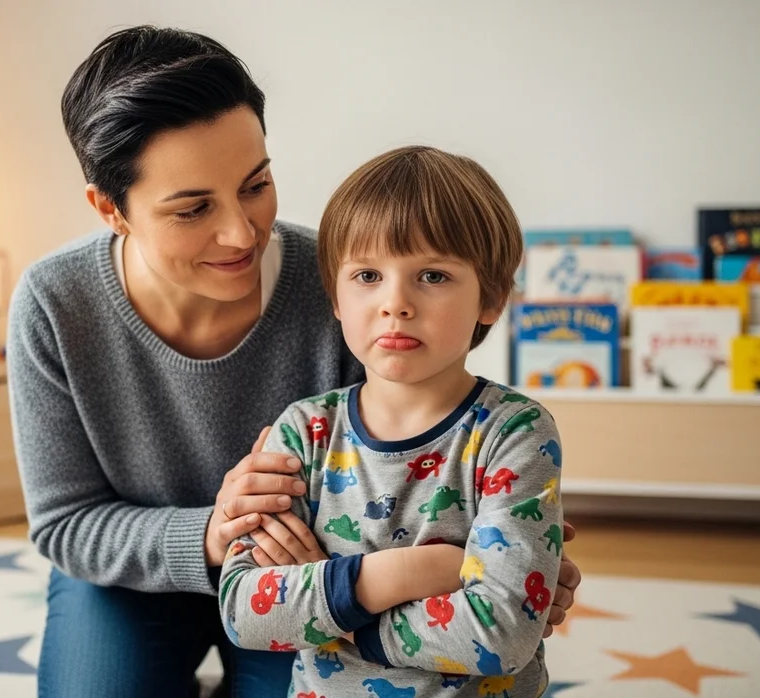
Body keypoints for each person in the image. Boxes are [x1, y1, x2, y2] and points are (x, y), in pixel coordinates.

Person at [6, 25, 582, 697]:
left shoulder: (346, 282)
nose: (240, 232)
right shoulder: (55, 302)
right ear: (111, 209)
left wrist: (517, 566)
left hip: (312, 574)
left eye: (256, 185)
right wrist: (217, 536)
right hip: (137, 582)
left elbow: (426, 497)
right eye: (193, 208)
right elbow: (66, 523)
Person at [218, 145, 563, 697]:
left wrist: (338, 617)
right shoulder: (303, 432)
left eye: (432, 275)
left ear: (492, 298)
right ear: (335, 295)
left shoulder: (515, 433)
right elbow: (245, 613)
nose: (396, 302)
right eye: (368, 275)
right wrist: (399, 578)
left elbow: (504, 634)